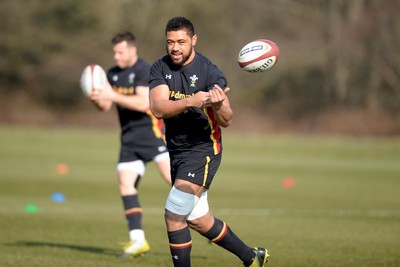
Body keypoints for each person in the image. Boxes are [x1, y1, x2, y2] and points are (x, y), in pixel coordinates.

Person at [149, 17, 269, 267]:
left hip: (203, 150)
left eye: (181, 42)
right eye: (170, 42)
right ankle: (252, 257)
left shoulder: (210, 72)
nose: (175, 48)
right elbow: (158, 108)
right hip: (177, 151)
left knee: (173, 215)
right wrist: (191, 101)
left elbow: (227, 119)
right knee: (198, 220)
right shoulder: (159, 68)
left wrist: (217, 105)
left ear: (194, 40)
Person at [90, 31, 171, 257]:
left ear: (132, 50)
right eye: (114, 52)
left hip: (153, 135)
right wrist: (96, 98)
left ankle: (203, 218)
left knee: (174, 181)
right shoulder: (112, 74)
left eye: (120, 52)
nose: (116, 56)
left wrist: (112, 96)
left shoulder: (145, 70)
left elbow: (143, 102)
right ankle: (137, 241)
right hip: (128, 139)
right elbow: (105, 107)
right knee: (126, 185)